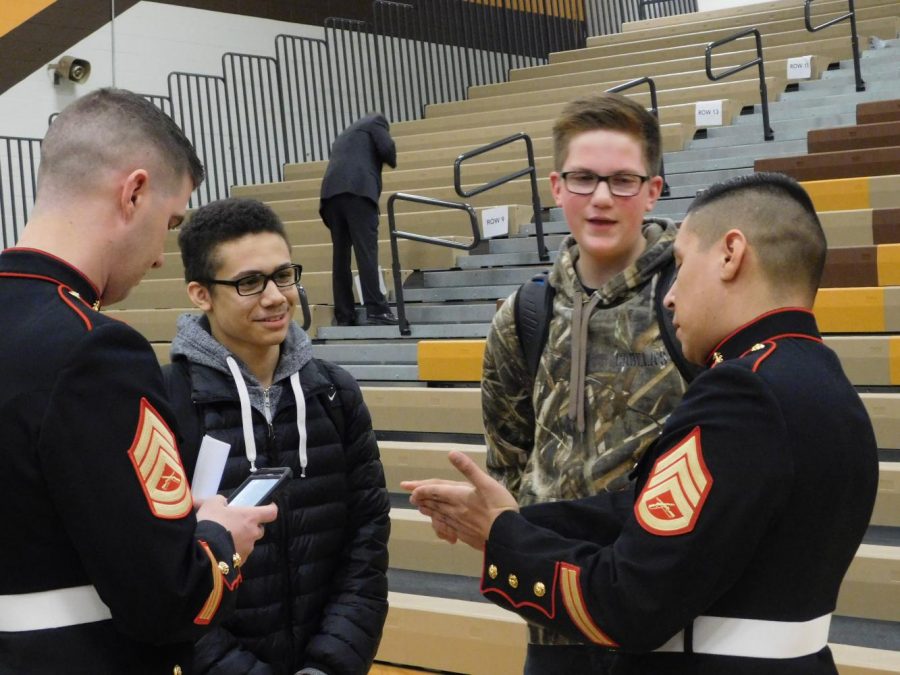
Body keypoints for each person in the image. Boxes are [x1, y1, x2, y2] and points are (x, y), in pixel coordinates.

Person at [405, 172, 879, 674]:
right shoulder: (826, 387)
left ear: (730, 253)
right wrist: (516, 519)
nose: (670, 297)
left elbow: (630, 603)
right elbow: (648, 514)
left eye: (679, 264)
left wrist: (505, 538)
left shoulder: (743, 392)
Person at [0, 88, 277, 674]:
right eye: (171, 221)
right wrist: (218, 539)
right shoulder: (95, 349)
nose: (160, 256)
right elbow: (164, 597)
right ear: (134, 192)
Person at [481, 93, 689, 672]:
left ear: (653, 189)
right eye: (583, 178)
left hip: (670, 625)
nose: (601, 197)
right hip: (554, 622)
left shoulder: (692, 299)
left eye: (623, 180)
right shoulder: (522, 315)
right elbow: (508, 460)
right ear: (556, 187)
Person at [162, 197, 391, 675]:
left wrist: (331, 665)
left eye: (283, 275)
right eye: (249, 282)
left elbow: (365, 547)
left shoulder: (335, 393)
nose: (275, 297)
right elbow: (163, 572)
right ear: (200, 294)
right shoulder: (166, 402)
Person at [319, 112, 398, 326]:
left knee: (341, 257)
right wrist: (391, 157)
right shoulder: (377, 121)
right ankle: (377, 310)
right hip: (358, 192)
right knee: (366, 251)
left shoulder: (344, 135)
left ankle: (345, 314)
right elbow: (387, 150)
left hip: (330, 195)